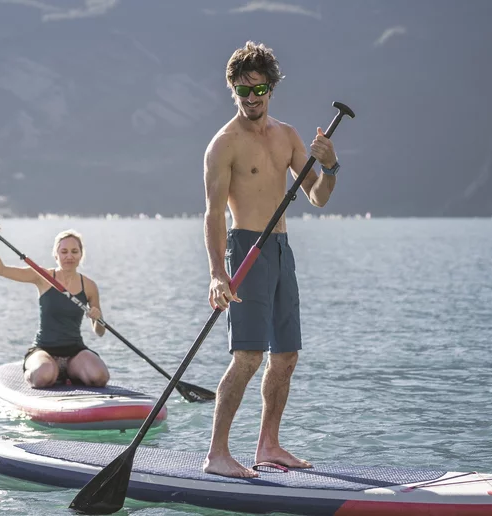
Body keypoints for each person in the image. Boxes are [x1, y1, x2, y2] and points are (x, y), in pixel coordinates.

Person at [201, 41, 342, 478]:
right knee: (246, 358)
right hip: (245, 247)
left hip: (280, 250)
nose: (251, 98)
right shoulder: (223, 144)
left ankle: (268, 445)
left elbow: (317, 197)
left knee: (285, 357)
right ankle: (217, 455)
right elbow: (212, 212)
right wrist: (216, 273)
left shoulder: (288, 136)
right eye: (243, 91)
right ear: (233, 90)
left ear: (271, 89)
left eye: (259, 89)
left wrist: (331, 166)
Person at [0, 225, 110, 388]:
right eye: (64, 252)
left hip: (74, 352)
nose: (69, 256)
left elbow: (99, 332)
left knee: (100, 377)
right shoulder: (43, 277)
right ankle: (34, 371)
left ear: (81, 255)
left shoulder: (89, 286)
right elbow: (0, 270)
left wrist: (98, 318)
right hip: (44, 350)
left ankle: (69, 373)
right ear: (56, 255)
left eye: (74, 251)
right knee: (44, 376)